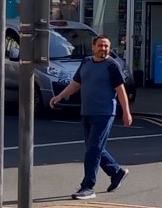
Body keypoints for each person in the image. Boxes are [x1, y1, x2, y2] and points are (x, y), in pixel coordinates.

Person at [50, 35, 132, 199]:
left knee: (93, 150)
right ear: (93, 47)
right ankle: (116, 171)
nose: (103, 49)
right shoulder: (86, 62)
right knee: (93, 148)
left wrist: (126, 112)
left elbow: (120, 90)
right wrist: (59, 96)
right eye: (100, 46)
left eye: (106, 46)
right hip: (87, 111)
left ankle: (88, 187)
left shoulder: (112, 65)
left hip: (105, 113)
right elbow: (76, 84)